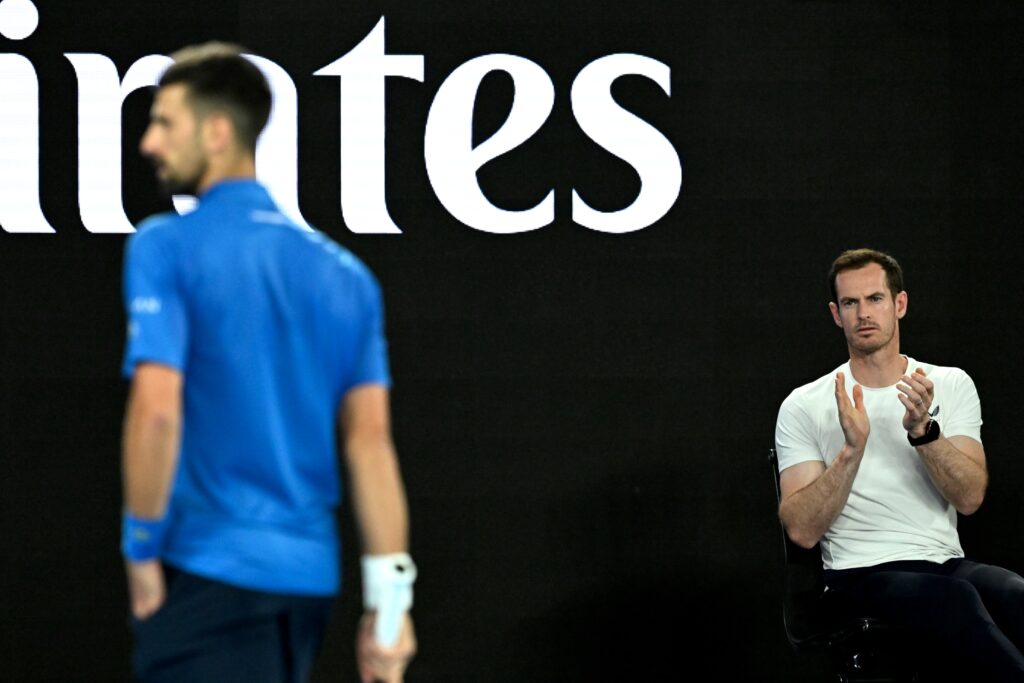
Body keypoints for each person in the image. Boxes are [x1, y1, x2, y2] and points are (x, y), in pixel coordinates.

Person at [119, 42, 417, 683]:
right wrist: (391, 608)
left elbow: (157, 412)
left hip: (207, 574)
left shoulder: (164, 246)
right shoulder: (348, 277)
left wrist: (140, 552)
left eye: (165, 122)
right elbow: (371, 447)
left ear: (217, 133)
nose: (149, 143)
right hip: (306, 588)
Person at [775, 248, 1024, 681]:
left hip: (943, 562)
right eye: (850, 303)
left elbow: (969, 498)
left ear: (900, 304)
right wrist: (851, 450)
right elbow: (801, 529)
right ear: (836, 314)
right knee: (955, 599)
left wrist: (924, 432)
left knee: (1015, 593)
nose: (863, 314)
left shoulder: (949, 383)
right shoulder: (804, 404)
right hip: (856, 574)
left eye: (875, 299)